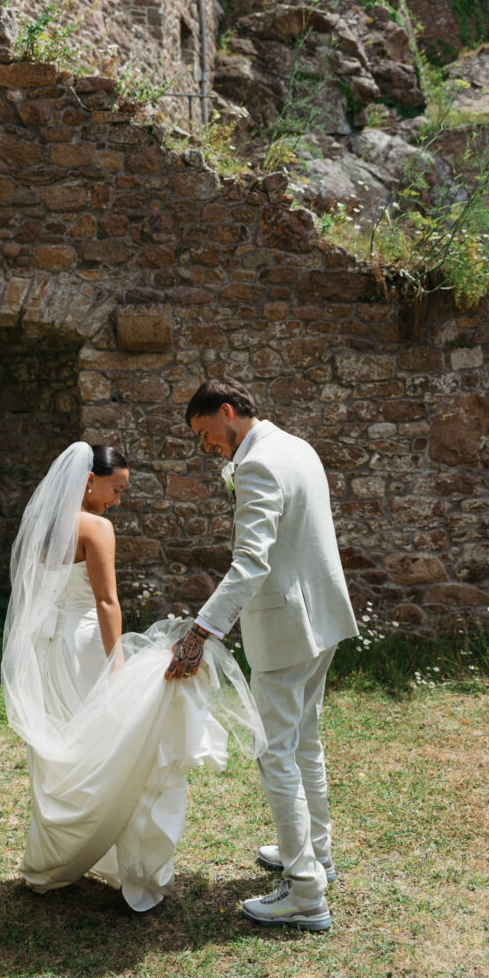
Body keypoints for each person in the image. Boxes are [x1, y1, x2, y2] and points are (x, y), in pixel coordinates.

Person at [2, 440, 265, 912]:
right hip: (84, 647)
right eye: (116, 490)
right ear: (88, 480)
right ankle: (133, 864)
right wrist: (117, 664)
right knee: (117, 752)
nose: (118, 502)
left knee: (67, 753)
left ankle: (52, 861)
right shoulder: (95, 528)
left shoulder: (41, 526)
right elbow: (106, 603)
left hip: (47, 650)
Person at [166, 378, 358, 931]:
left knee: (274, 750)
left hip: (286, 627)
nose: (208, 447)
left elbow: (250, 562)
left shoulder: (257, 464)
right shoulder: (297, 447)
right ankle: (317, 855)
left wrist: (200, 631)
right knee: (305, 740)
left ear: (228, 411)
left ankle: (304, 891)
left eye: (207, 433)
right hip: (319, 619)